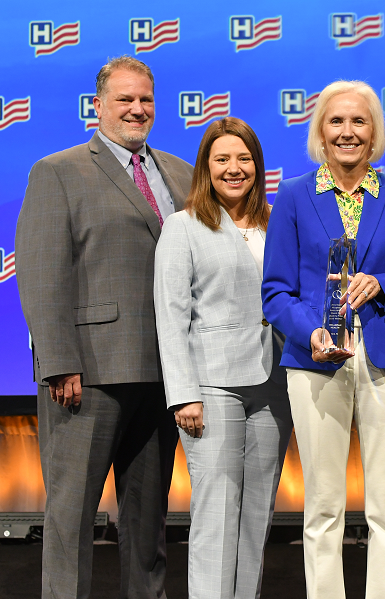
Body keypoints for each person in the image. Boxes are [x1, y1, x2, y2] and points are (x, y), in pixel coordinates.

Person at [14, 56, 193, 598]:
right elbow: (43, 272)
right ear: (98, 106)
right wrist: (59, 360)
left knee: (148, 524)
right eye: (125, 99)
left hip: (164, 375)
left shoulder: (182, 173)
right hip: (88, 374)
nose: (137, 109)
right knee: (71, 520)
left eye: (146, 100)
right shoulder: (58, 170)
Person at [261, 80, 385, 599]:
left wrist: (384, 283)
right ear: (320, 131)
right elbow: (276, 292)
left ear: (374, 133)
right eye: (336, 121)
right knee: (322, 503)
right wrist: (310, 331)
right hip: (316, 359)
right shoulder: (293, 195)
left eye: (358, 122)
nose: (347, 132)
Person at [153, 117, 292, 599]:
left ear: (257, 164)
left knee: (257, 518)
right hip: (211, 388)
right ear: (205, 168)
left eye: (244, 158)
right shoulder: (183, 227)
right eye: (222, 159)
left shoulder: (281, 222)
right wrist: (183, 395)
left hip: (275, 384)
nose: (234, 169)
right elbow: (170, 317)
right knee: (215, 516)